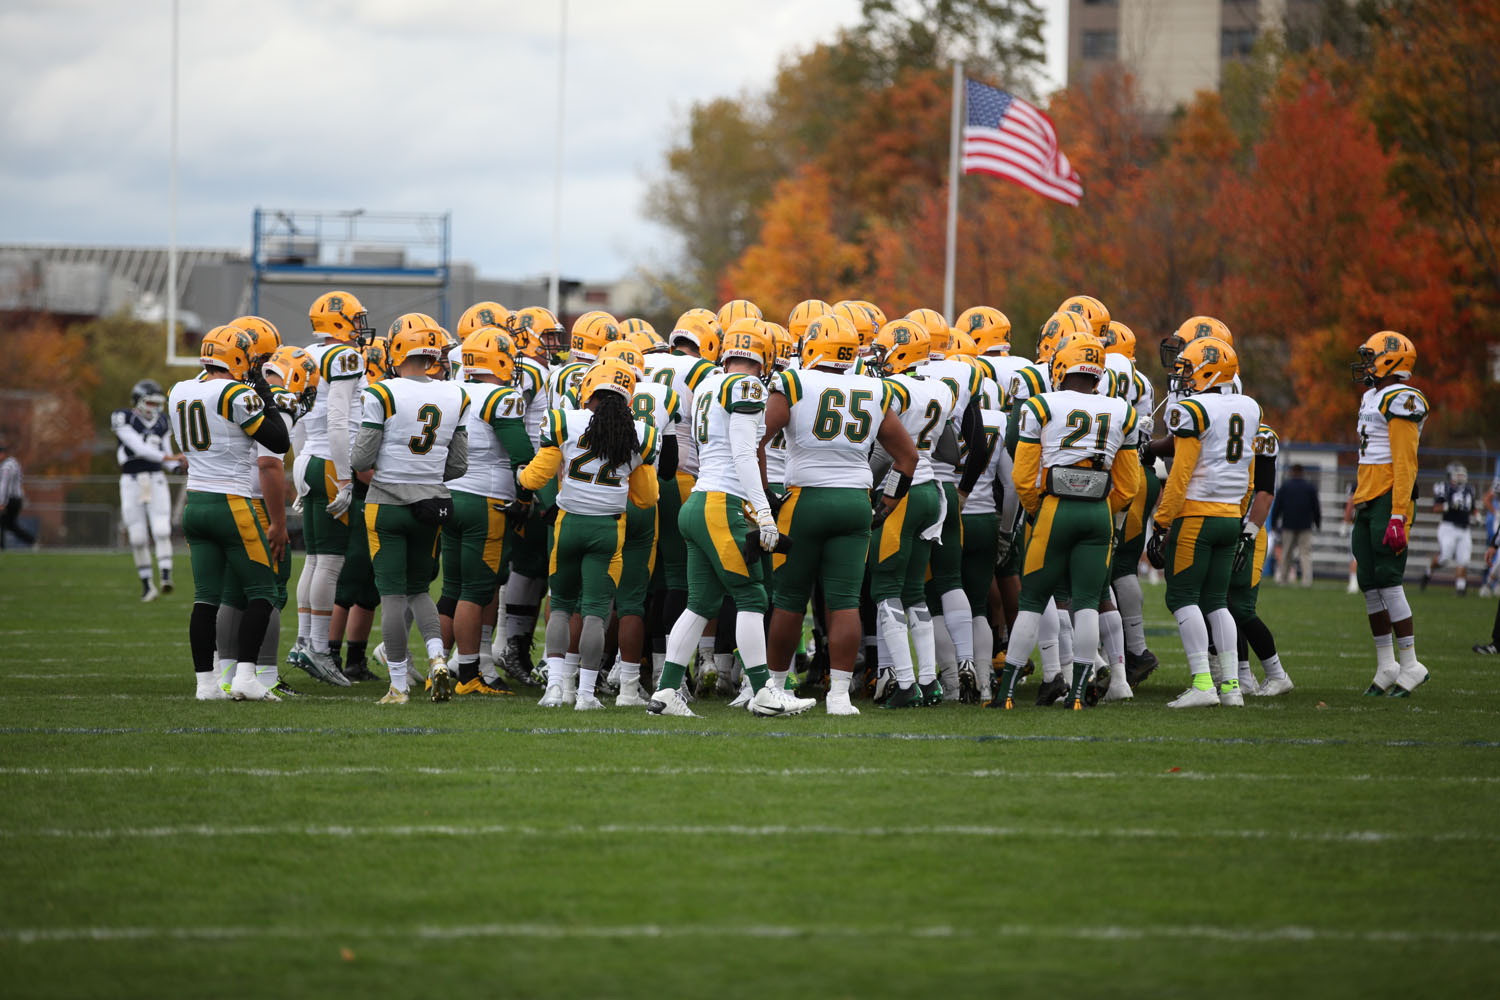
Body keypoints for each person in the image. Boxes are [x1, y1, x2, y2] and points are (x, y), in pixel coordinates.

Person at [650, 320, 816, 717]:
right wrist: (764, 514)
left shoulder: (709, 383)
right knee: (752, 595)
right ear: (765, 359)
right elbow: (744, 454)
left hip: (699, 502)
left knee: (702, 601)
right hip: (721, 504)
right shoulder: (748, 386)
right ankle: (763, 692)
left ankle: (667, 691)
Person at [763, 315, 918, 712]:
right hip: (854, 501)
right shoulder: (874, 388)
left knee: (790, 599)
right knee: (846, 600)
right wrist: (885, 505)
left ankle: (776, 688)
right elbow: (907, 458)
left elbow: (755, 438)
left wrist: (765, 493)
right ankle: (839, 696)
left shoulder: (794, 382)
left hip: (805, 500)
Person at [993, 336, 1140, 710]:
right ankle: (1077, 694)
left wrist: (1037, 507)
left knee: (1032, 599)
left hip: (1055, 508)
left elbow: (1024, 476)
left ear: (1062, 367)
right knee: (1088, 602)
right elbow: (1129, 484)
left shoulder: (1042, 404)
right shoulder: (1123, 410)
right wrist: (1108, 508)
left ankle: (1006, 694)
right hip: (1098, 512)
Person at [517, 358, 660, 710]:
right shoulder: (640, 433)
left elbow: (535, 478)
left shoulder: (565, 420)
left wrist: (522, 477)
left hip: (569, 524)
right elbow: (647, 497)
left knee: (562, 606)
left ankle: (554, 688)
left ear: (588, 388)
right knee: (597, 612)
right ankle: (584, 695)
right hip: (608, 529)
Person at [167, 324, 291, 700]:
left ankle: (206, 684)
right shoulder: (235, 392)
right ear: (236, 358)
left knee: (206, 597)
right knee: (263, 590)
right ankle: (247, 678)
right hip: (232, 503)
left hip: (195, 503)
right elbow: (278, 439)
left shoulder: (178, 390)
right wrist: (265, 390)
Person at [352, 322, 470, 705]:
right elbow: (458, 466)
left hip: (386, 503)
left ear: (399, 352)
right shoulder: (457, 394)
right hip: (431, 504)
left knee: (392, 596)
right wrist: (427, 472)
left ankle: (399, 685)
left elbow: (361, 459)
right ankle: (437, 655)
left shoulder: (382, 391)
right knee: (420, 589)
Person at [1146, 336, 1261, 709]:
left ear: (1208, 371)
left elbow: (1181, 473)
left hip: (1197, 513)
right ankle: (1230, 687)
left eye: (1188, 369)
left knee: (1181, 597)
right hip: (1230, 515)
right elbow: (1248, 471)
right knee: (1216, 601)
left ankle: (1202, 682)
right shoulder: (1248, 407)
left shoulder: (1194, 410)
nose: (1183, 377)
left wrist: (1162, 521)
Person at [443, 328, 534, 696]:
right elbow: (522, 454)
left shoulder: (449, 390)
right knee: (475, 592)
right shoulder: (502, 397)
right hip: (486, 499)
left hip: (448, 495)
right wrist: (527, 497)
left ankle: (438, 661)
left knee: (451, 589)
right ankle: (468, 675)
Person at [289, 291, 374, 686]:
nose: (360, 328)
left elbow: (298, 419)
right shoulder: (345, 357)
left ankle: (306, 641)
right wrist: (344, 476)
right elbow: (339, 421)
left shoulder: (307, 353)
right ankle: (320, 650)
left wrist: (299, 465)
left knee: (313, 560)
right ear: (341, 322)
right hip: (329, 462)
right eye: (356, 320)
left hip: (309, 458)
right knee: (329, 562)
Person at [1349, 331, 1428, 696]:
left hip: (1388, 498)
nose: (1366, 363)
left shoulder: (1402, 399)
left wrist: (1398, 513)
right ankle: (1386, 665)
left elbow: (1405, 461)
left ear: (1390, 360)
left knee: (1389, 579)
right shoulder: (1372, 396)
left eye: (1371, 356)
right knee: (1369, 582)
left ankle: (1411, 664)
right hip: (1368, 496)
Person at [111, 380, 185, 598]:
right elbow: (140, 448)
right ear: (138, 401)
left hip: (156, 478)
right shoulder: (124, 418)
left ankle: (165, 577)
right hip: (131, 479)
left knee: (162, 529)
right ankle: (146, 585)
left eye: (157, 403)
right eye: (150, 402)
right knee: (137, 536)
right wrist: (170, 458)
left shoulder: (163, 421)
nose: (154, 408)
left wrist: (179, 466)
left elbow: (166, 452)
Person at [1422, 462, 1476, 595]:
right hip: (1448, 527)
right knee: (1445, 558)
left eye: (1462, 474)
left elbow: (1472, 508)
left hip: (1464, 528)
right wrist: (1449, 505)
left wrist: (1478, 516)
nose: (1461, 476)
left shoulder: (1469, 489)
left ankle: (1460, 588)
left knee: (1463, 560)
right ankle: (1428, 571)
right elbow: (1435, 508)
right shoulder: (1444, 487)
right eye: (1458, 474)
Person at [1271, 463, 1321, 586]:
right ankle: (1306, 580)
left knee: (1286, 553)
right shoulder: (1309, 487)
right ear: (1302, 473)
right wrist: (1317, 522)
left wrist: (1274, 522)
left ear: (1291, 472)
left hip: (1288, 524)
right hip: (1305, 525)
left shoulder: (1285, 487)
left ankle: (1283, 579)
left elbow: (1277, 507)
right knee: (1305, 553)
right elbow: (1316, 507)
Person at [0, 440, 34, 548]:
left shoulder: (7, 467)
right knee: (9, 525)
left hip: (11, 499)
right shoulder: (14, 462)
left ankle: (2, 547)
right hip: (17, 499)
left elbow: (5, 485)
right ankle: (32, 541)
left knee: (4, 523)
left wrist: (2, 502)